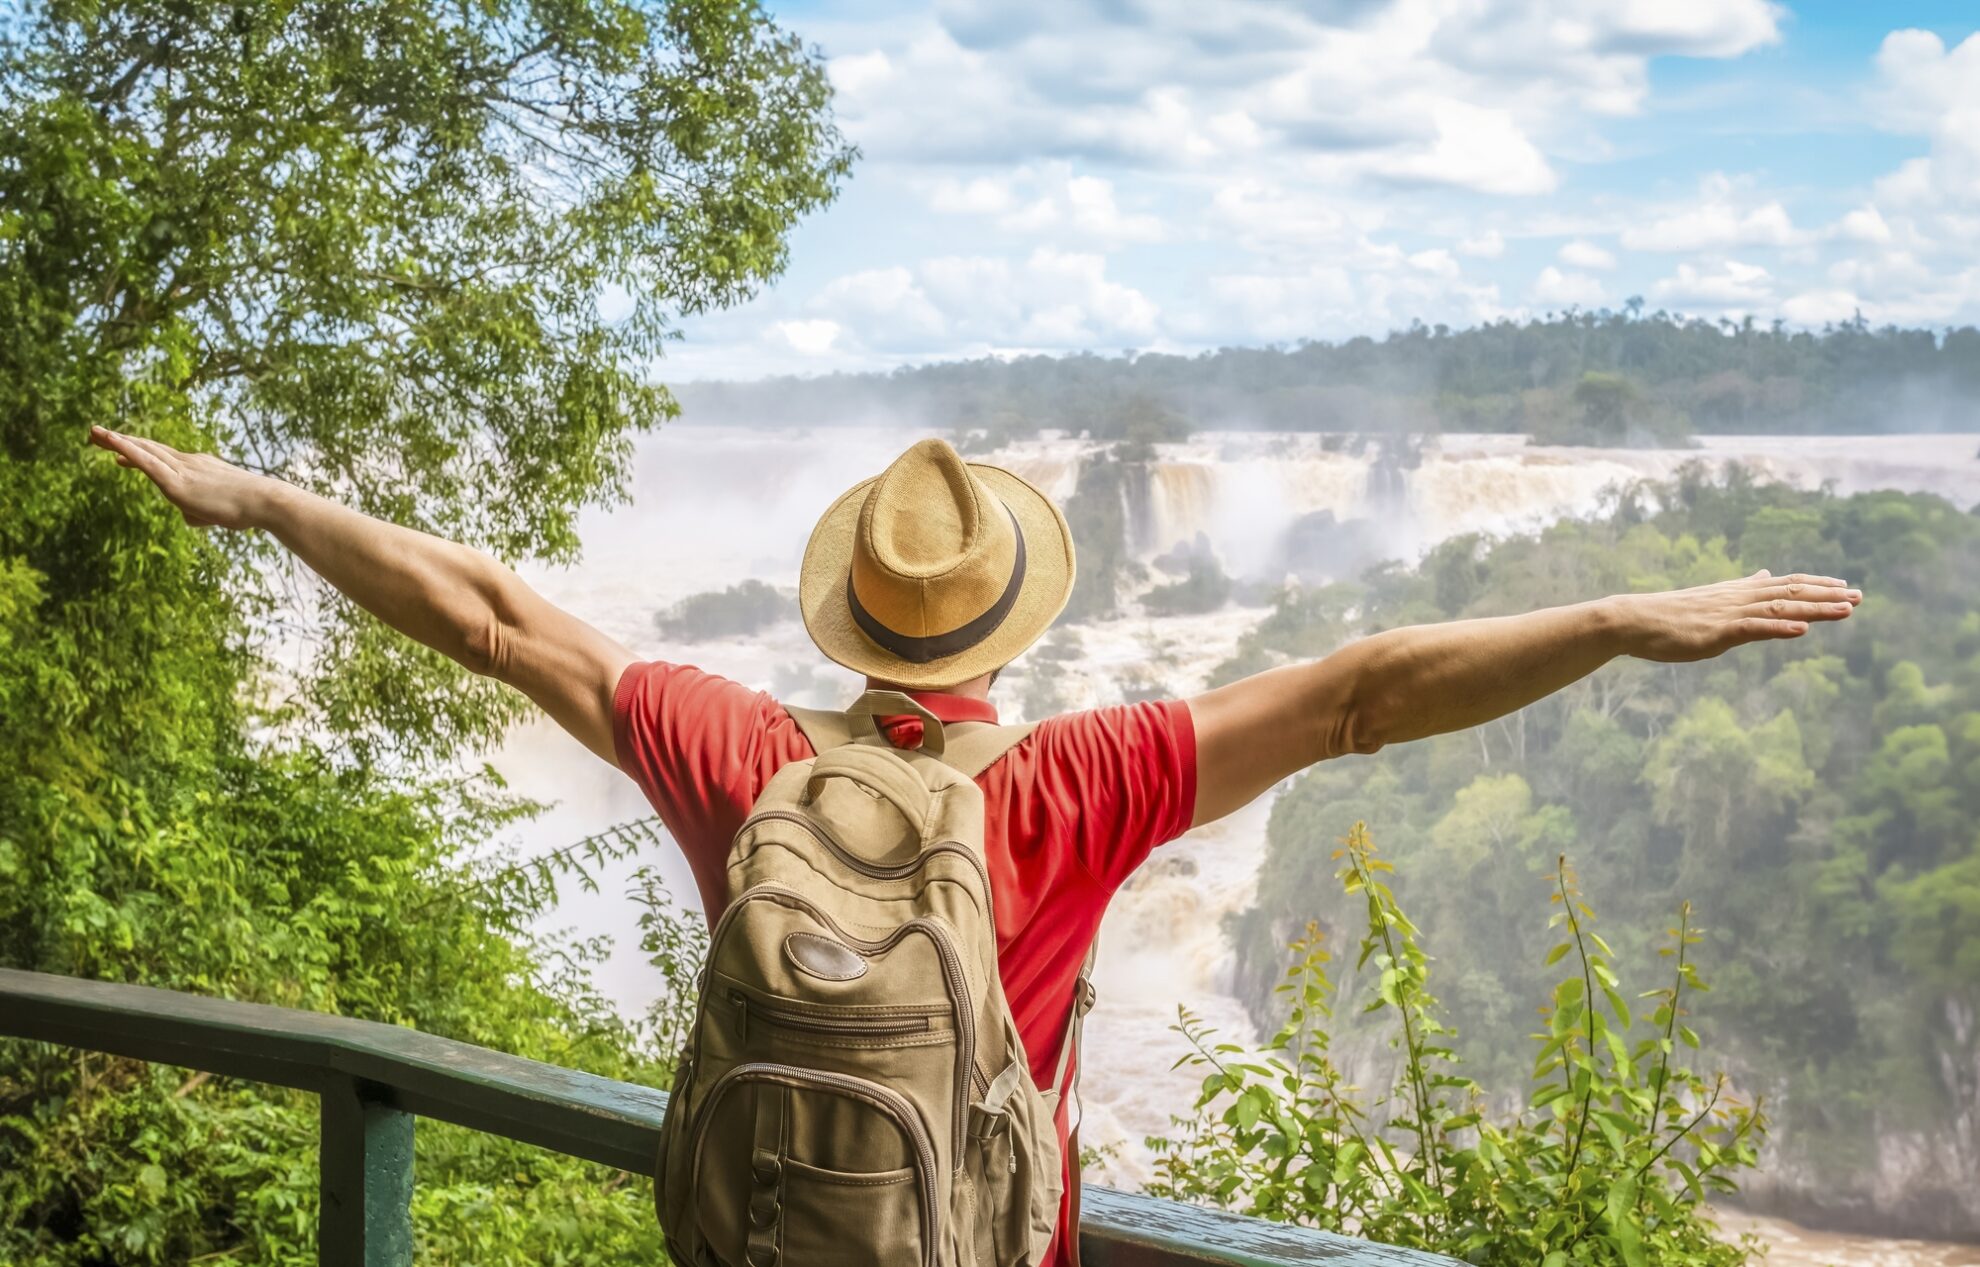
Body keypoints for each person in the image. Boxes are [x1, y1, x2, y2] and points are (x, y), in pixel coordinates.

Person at [89, 425, 1861, 1264]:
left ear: (852, 628)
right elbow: (1360, 696)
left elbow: (487, 617)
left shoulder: (741, 752)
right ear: (1008, 630)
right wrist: (1630, 615)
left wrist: (262, 500)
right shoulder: (1073, 784)